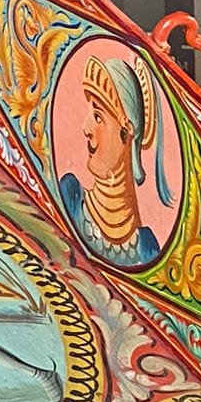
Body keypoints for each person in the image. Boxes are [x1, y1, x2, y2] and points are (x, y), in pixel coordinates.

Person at [61, 52, 172, 268]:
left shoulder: (147, 247)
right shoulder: (70, 193)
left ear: (126, 131)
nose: (86, 129)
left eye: (98, 117)